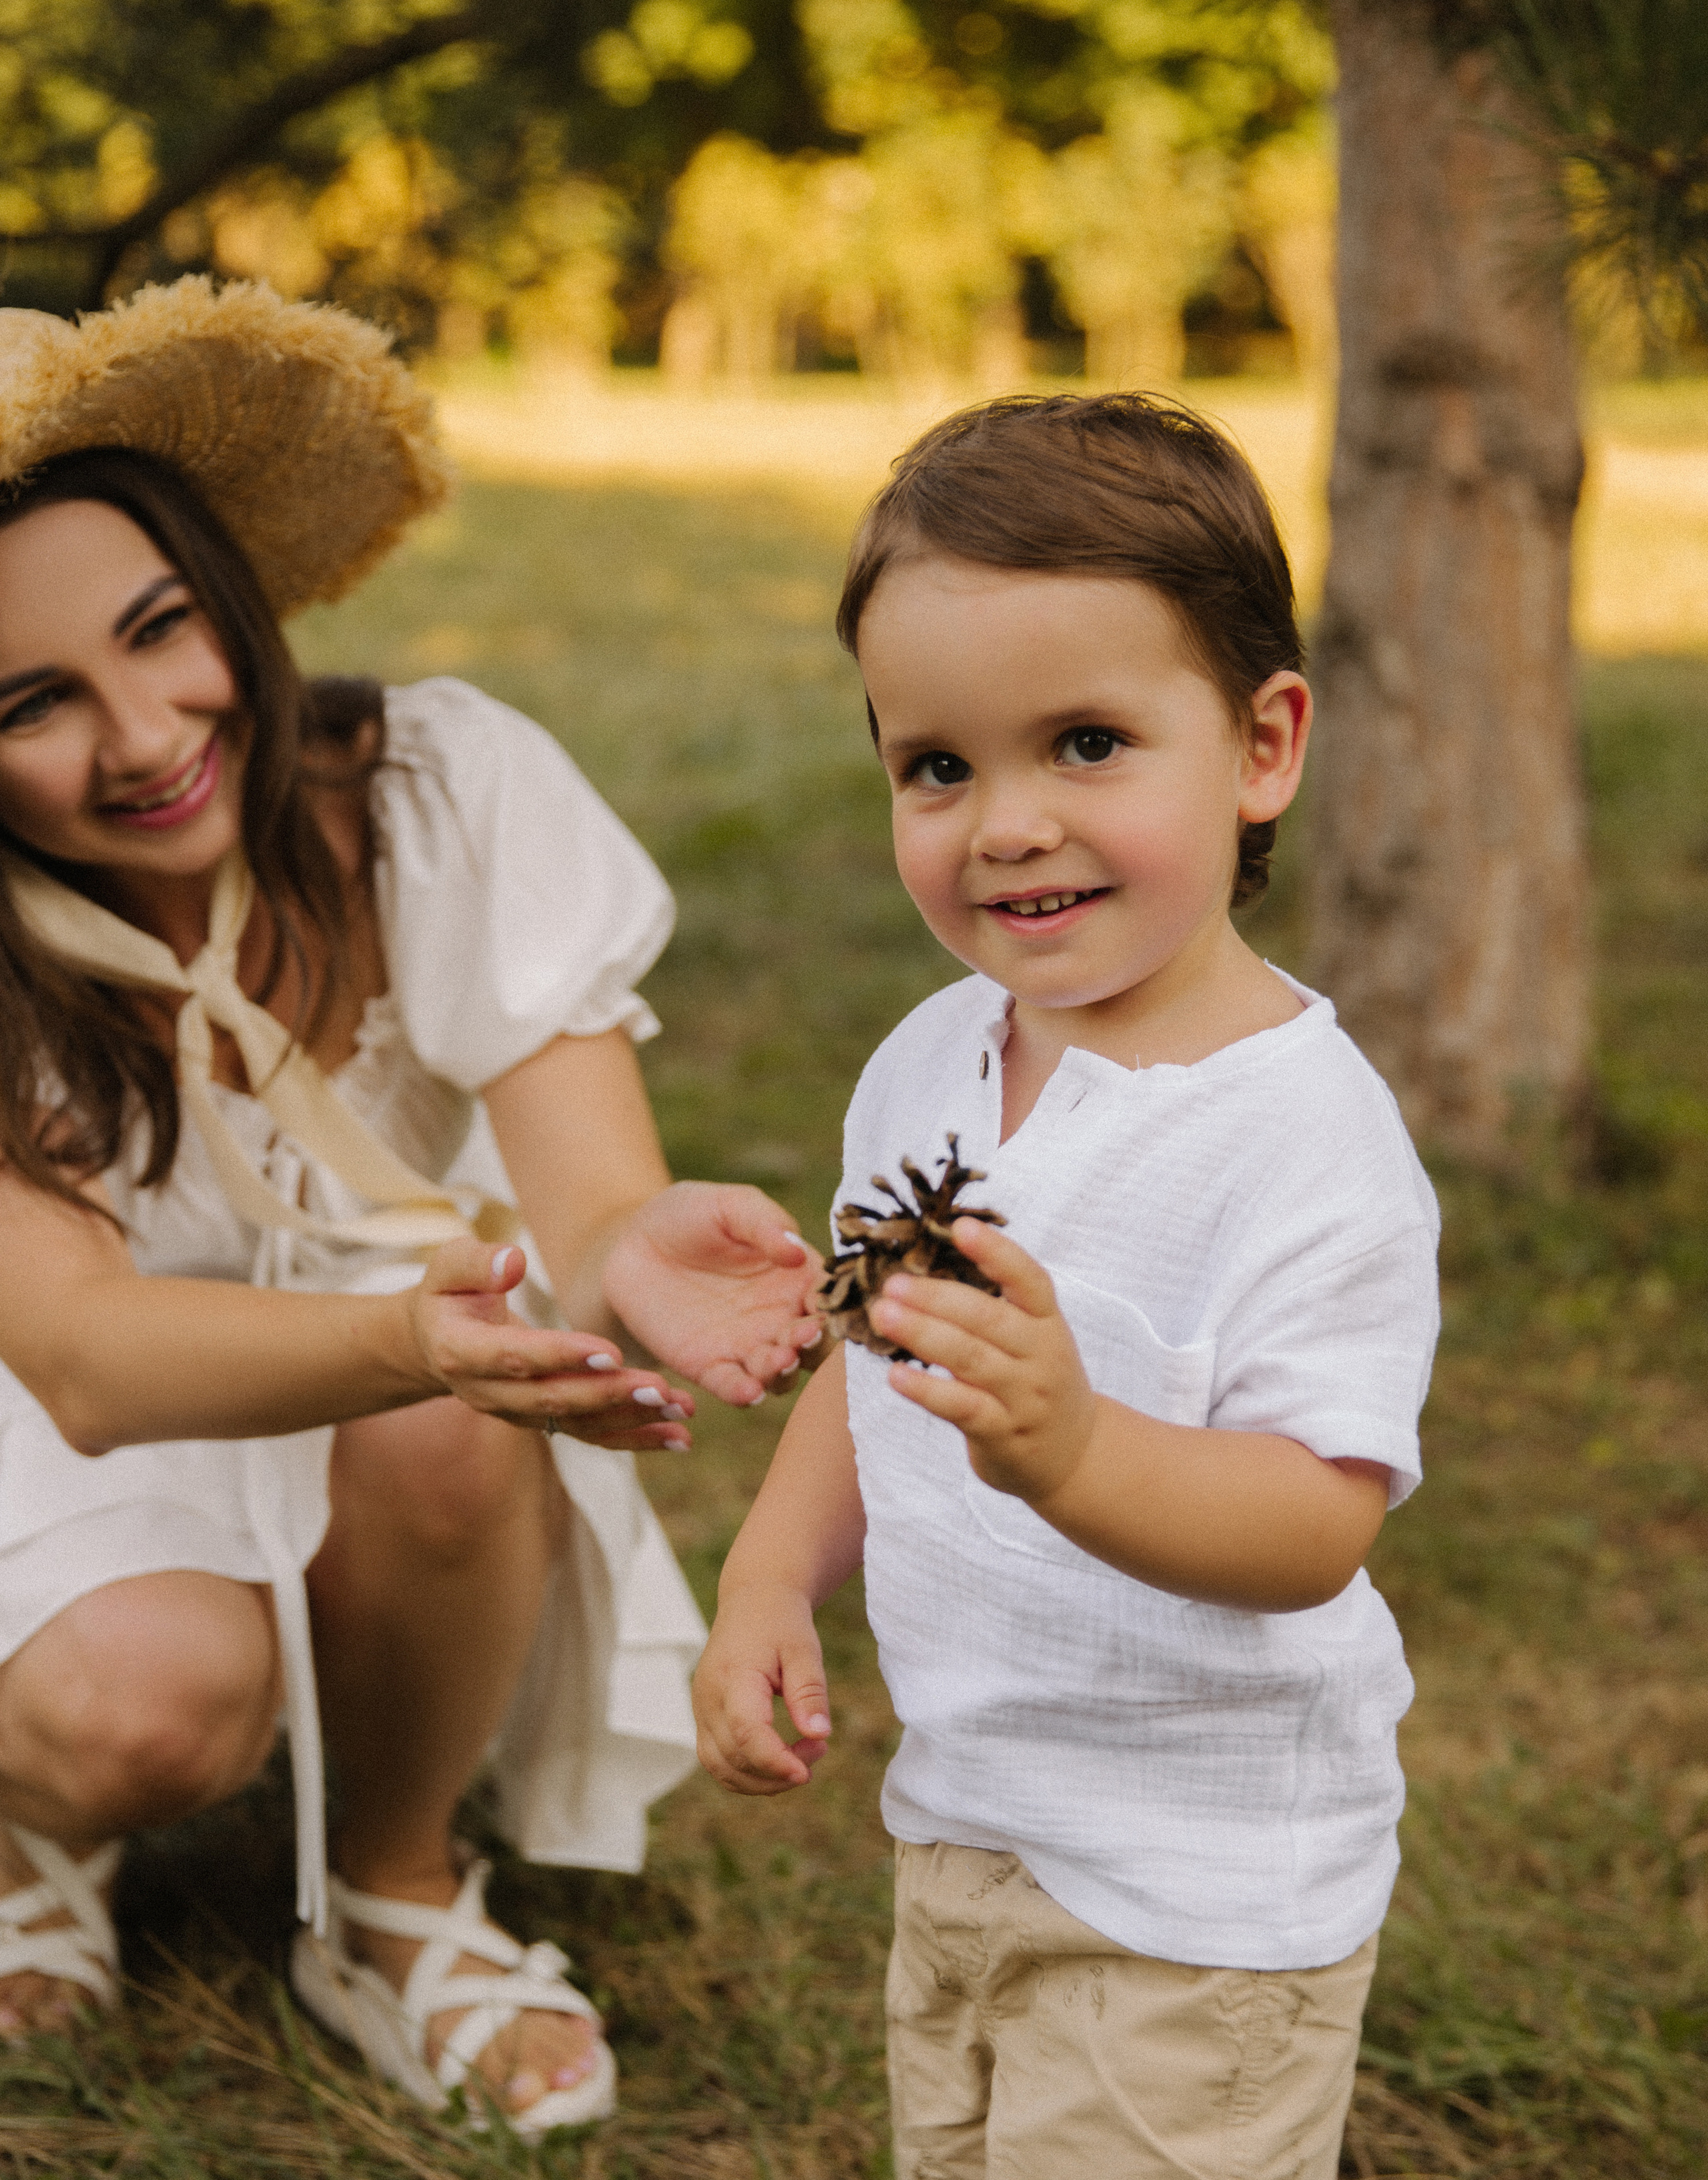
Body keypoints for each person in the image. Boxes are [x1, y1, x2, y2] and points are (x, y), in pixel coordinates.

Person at [0, 276, 824, 2135]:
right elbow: (82, 1353)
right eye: (32, 701)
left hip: (398, 1401)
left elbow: (590, 1193)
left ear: (229, 584)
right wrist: (403, 1330)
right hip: (48, 1410)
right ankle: (19, 1826)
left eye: (159, 631)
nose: (143, 737)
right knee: (144, 1705)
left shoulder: (436, 788)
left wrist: (632, 1250)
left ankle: (387, 1891)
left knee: (456, 1403)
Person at [693, 394, 1440, 2177]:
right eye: (938, 766)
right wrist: (767, 1571)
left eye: (1088, 742)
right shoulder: (929, 1067)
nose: (1006, 823)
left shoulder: (1305, 1137)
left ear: (1263, 747)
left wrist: (1076, 1448)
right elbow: (874, 1362)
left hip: (1200, 1889)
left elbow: (1314, 1521)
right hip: (970, 1826)